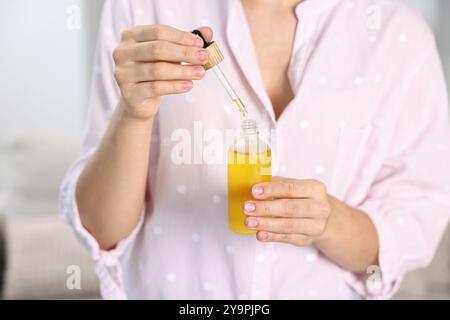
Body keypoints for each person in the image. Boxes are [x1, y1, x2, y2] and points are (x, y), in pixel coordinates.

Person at [60, 0, 450, 299]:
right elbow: (101, 229)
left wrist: (329, 221)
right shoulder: (145, 9)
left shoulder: (398, 36)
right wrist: (134, 114)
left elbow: (409, 224)